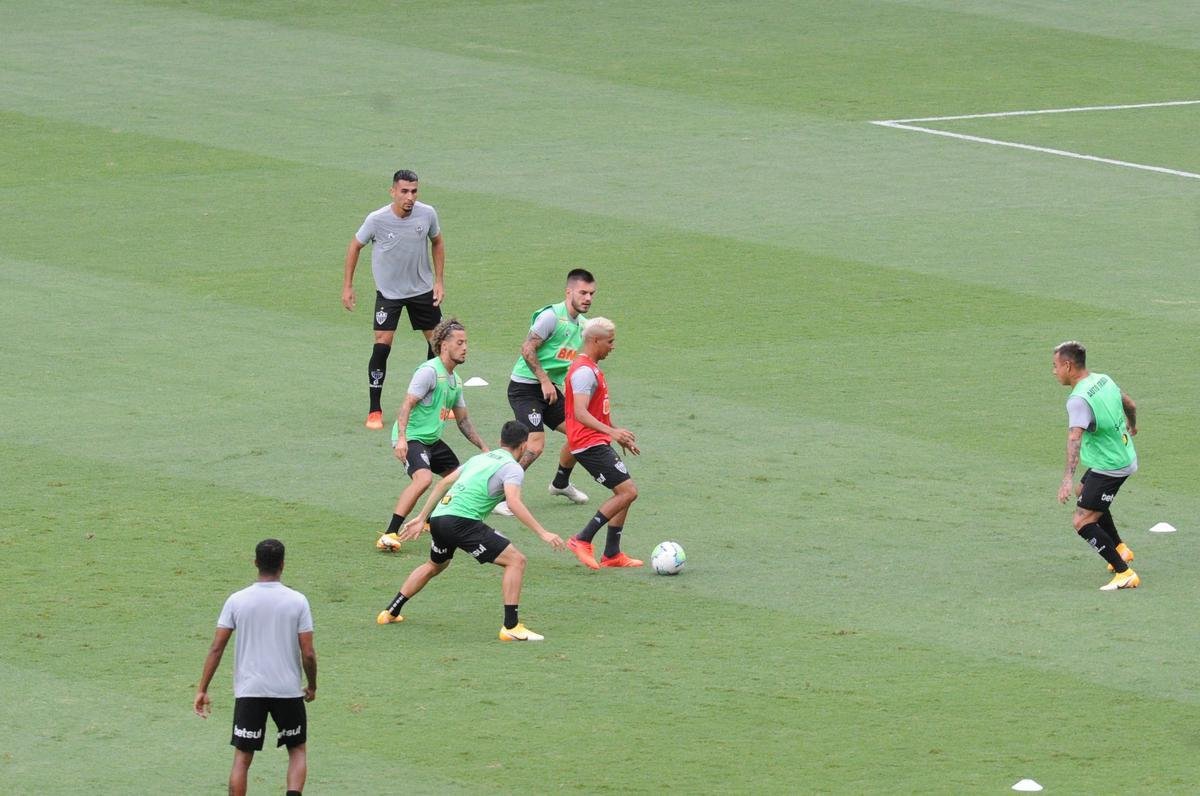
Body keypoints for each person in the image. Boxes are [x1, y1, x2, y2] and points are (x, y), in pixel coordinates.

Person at [376, 421, 567, 640]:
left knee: (434, 565)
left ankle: (390, 612)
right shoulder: (513, 468)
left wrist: (422, 517)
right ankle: (511, 627)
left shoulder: (479, 458)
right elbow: (513, 503)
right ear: (524, 445)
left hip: (439, 517)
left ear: (500, 441)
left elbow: (442, 484)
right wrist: (543, 533)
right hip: (461, 522)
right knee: (516, 561)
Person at [194, 539, 317, 796]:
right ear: (283, 564)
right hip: (287, 690)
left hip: (250, 690)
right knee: (296, 750)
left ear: (255, 563)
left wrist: (202, 689)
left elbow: (216, 648)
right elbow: (308, 653)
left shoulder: (237, 600)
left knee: (242, 758)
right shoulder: (298, 601)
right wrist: (312, 685)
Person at [343, 169, 446, 430]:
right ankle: (374, 409)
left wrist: (438, 281)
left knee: (438, 344)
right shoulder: (377, 219)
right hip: (389, 294)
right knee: (382, 345)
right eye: (404, 191)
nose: (410, 197)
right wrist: (348, 286)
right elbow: (355, 246)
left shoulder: (427, 214)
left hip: (421, 290)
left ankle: (432, 400)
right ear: (393, 192)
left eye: (414, 191)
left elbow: (437, 242)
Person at [375, 317, 488, 552]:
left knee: (459, 477)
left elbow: (463, 420)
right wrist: (402, 439)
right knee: (424, 479)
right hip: (412, 437)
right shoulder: (429, 372)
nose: (465, 348)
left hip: (431, 440)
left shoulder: (455, 380)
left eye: (466, 342)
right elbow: (407, 404)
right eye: (459, 342)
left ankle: (429, 520)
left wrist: (484, 448)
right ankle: (389, 533)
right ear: (444, 345)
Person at [494, 268, 597, 516]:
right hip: (524, 388)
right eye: (583, 293)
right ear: (569, 292)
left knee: (581, 432)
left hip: (548, 389)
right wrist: (544, 380)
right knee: (535, 445)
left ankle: (560, 483)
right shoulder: (551, 317)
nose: (588, 298)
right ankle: (500, 497)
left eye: (591, 294)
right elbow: (527, 348)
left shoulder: (583, 326)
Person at [1052, 341, 1140, 590]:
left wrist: (1066, 479)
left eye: (1055, 366)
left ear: (1068, 366)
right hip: (1121, 453)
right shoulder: (1103, 379)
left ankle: (1124, 573)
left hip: (1111, 466)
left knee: (1082, 522)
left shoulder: (1078, 399)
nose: (1054, 371)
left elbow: (1074, 438)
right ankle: (1120, 548)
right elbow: (1130, 404)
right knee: (1083, 492)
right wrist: (1132, 425)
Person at [561, 317, 643, 569]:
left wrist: (615, 432)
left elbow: (596, 412)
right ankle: (581, 539)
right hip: (588, 444)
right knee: (628, 492)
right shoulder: (584, 372)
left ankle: (612, 554)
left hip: (595, 441)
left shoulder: (590, 367)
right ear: (595, 340)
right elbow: (581, 412)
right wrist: (612, 433)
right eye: (610, 341)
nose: (612, 346)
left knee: (623, 494)